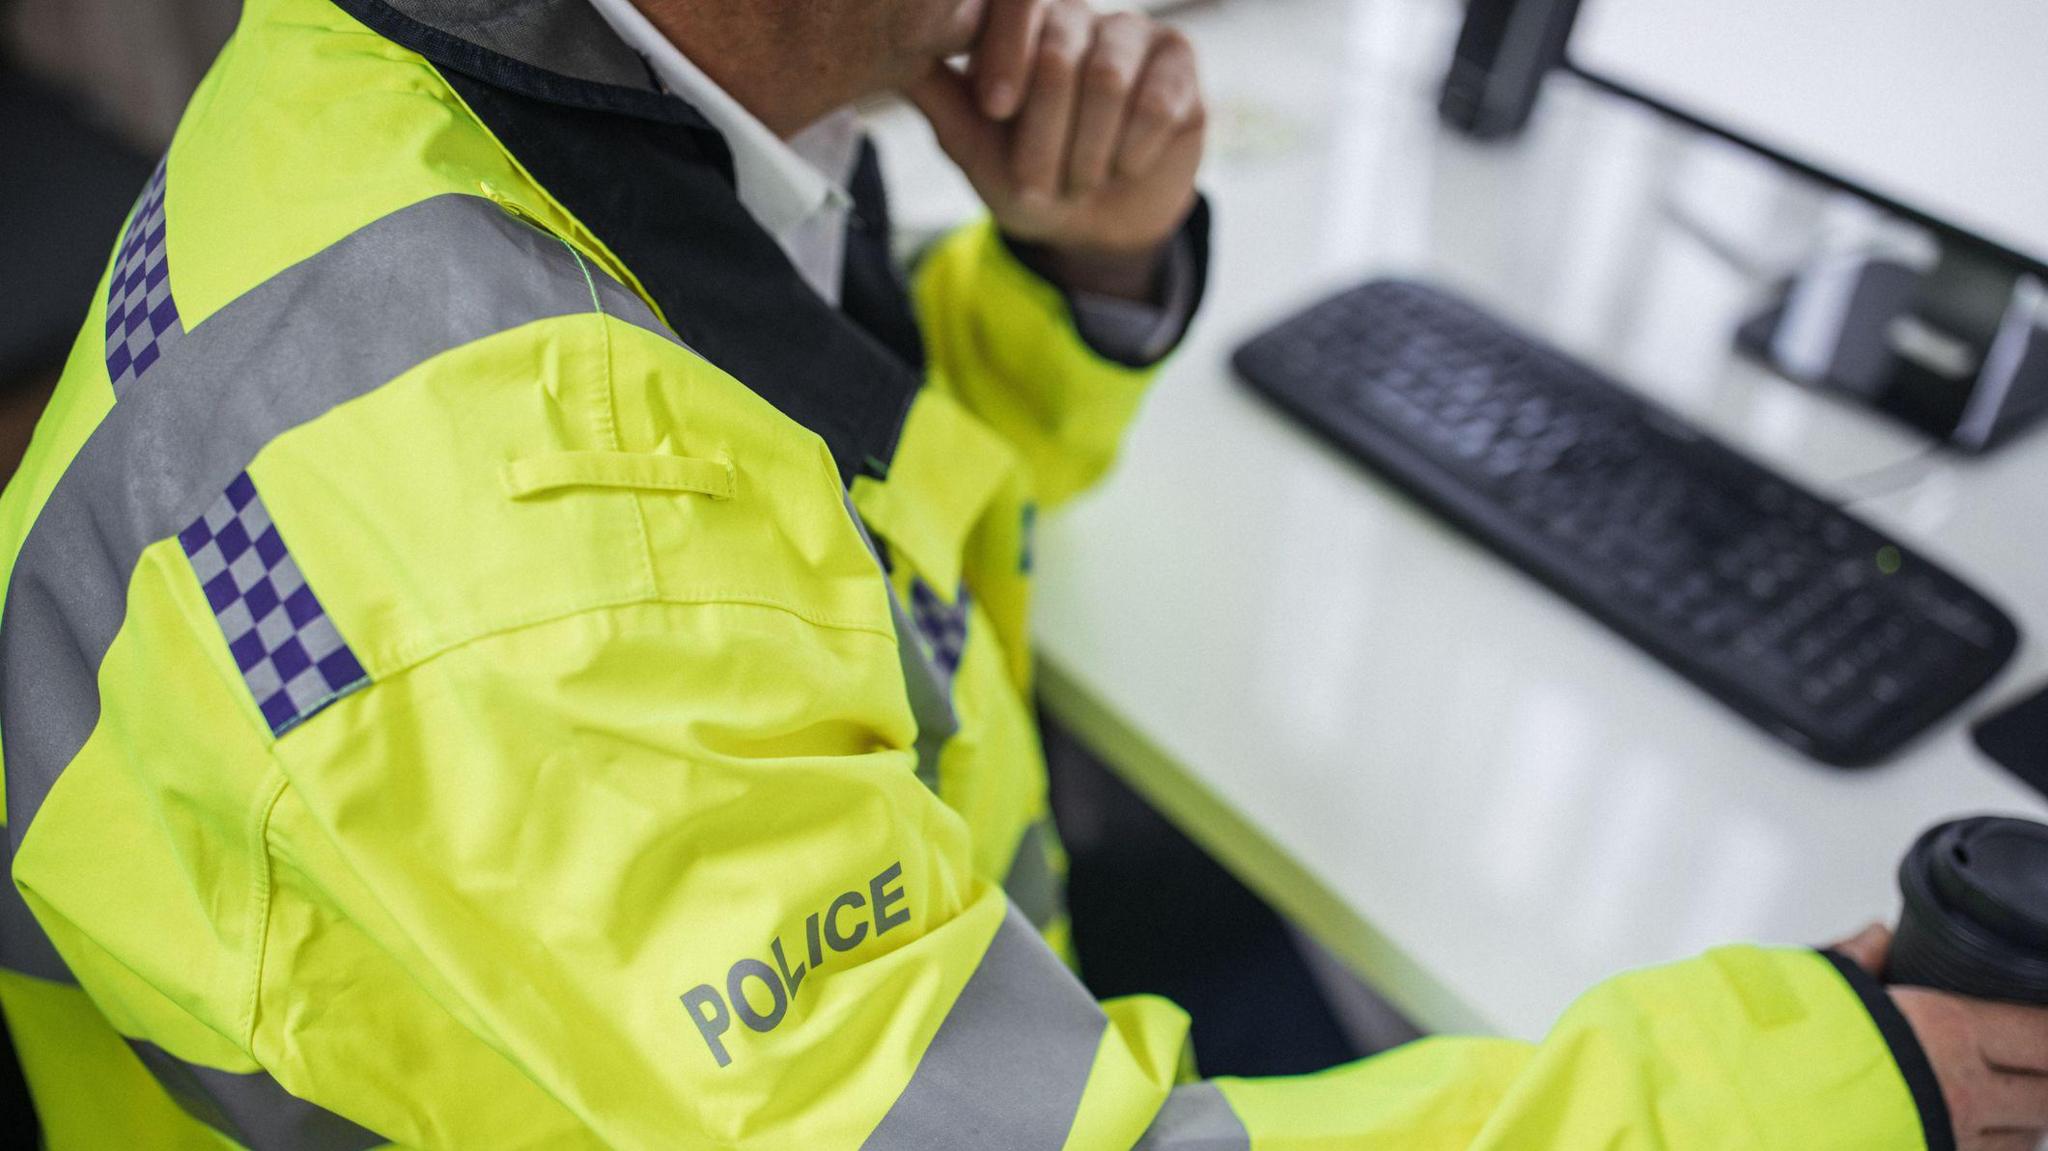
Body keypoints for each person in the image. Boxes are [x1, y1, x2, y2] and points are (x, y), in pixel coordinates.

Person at [0, 0, 2044, 1147]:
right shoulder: (507, 567)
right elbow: (619, 588)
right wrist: (1836, 1097)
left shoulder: (514, 109)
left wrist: (1087, 284)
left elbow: (779, 500)